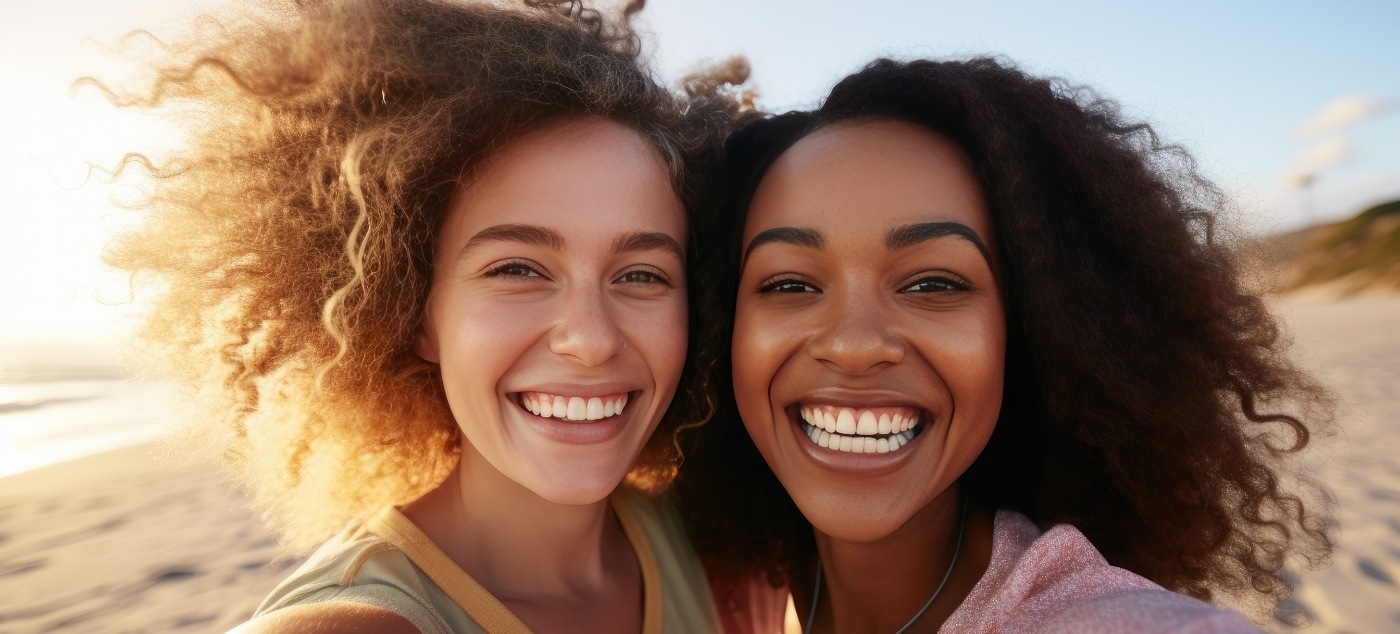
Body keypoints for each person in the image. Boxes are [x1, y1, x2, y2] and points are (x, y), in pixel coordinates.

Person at [98, 0, 742, 631]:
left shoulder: (718, 549)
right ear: (412, 312)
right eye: (516, 269)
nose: (591, 339)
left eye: (641, 275)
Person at [676, 57, 1336, 632]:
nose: (853, 344)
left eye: (933, 282)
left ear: (1029, 332)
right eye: (789, 283)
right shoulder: (731, 569)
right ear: (720, 329)